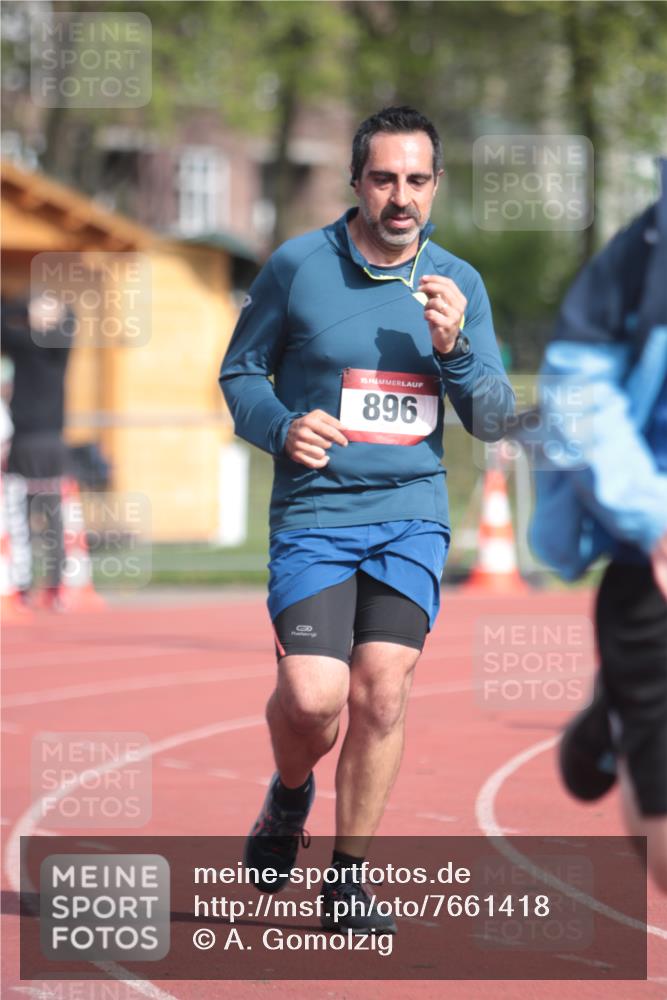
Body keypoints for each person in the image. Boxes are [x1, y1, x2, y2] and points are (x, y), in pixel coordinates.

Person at [219, 106, 514, 930]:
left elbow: (494, 418)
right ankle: (289, 795)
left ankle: (347, 880)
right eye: (383, 178)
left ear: (436, 186)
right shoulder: (296, 267)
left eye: (416, 180)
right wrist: (283, 426)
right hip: (315, 512)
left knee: (382, 690)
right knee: (313, 699)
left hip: (409, 514)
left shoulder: (458, 283)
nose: (399, 196)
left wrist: (455, 349)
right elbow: (239, 375)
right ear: (356, 182)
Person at [529, 157, 667, 890]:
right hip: (654, 557)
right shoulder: (644, 253)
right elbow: (576, 390)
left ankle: (609, 709)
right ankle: (618, 714)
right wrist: (653, 518)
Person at [1, 292, 73, 607]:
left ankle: (53, 586)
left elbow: (71, 318)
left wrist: (35, 310)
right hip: (25, 442)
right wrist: (30, 309)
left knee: (51, 517)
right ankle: (24, 584)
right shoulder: (24, 343)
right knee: (22, 518)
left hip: (49, 442)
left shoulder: (59, 345)